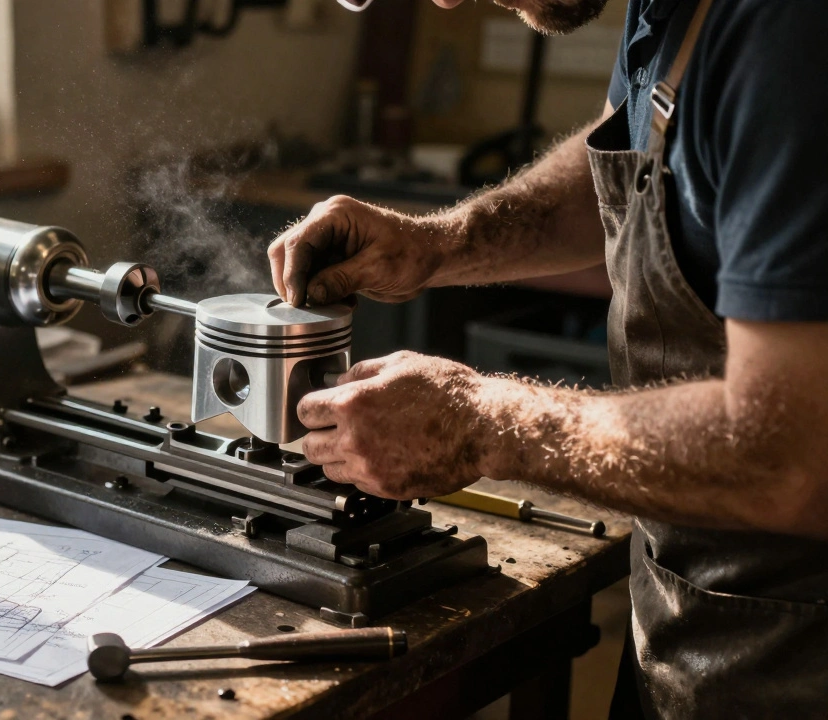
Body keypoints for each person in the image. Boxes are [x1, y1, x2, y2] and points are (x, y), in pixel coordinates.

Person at [272, 0, 828, 717]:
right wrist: (440, 245)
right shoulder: (663, 11)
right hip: (691, 623)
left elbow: (787, 453)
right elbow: (630, 173)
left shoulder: (785, 33)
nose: (444, 4)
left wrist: (477, 421)